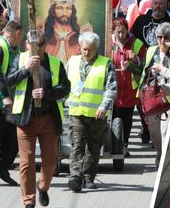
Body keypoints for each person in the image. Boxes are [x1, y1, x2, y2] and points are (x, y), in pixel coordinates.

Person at [8, 30, 70, 208]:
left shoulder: (55, 63)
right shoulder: (19, 60)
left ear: (46, 44)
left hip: (49, 119)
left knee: (50, 161)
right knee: (26, 163)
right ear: (27, 44)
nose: (37, 48)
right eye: (33, 44)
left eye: (41, 44)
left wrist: (47, 94)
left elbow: (65, 87)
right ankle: (28, 200)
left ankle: (43, 187)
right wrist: (25, 69)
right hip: (26, 120)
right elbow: (9, 81)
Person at [67, 32, 117, 192]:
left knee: (94, 147)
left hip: (97, 114)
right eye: (83, 49)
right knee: (77, 144)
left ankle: (88, 177)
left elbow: (111, 88)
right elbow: (65, 83)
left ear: (96, 48)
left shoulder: (106, 64)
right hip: (77, 112)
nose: (86, 52)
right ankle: (75, 176)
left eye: (89, 49)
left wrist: (104, 106)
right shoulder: (72, 62)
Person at [137, 22, 170, 167]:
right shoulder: (151, 50)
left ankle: (164, 160)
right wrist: (150, 71)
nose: (163, 41)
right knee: (154, 130)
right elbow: (144, 70)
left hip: (169, 96)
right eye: (159, 37)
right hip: (153, 95)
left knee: (165, 131)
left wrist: (163, 69)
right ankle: (159, 151)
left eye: (166, 37)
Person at [0, 20, 24, 186]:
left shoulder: (15, 49)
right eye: (21, 35)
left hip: (10, 104)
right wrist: (4, 95)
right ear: (17, 34)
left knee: (12, 141)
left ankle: (1, 168)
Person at [112, 19, 146, 156]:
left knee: (127, 118)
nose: (120, 35)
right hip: (114, 87)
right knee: (114, 117)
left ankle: (124, 145)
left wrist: (135, 59)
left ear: (127, 30)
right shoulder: (110, 44)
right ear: (113, 31)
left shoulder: (136, 43)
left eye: (123, 31)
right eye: (117, 32)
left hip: (130, 89)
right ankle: (115, 144)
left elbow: (144, 64)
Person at [44, 0, 81, 65]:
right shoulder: (44, 33)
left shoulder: (79, 34)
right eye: (60, 8)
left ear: (73, 11)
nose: (64, 12)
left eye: (68, 8)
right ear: (53, 11)